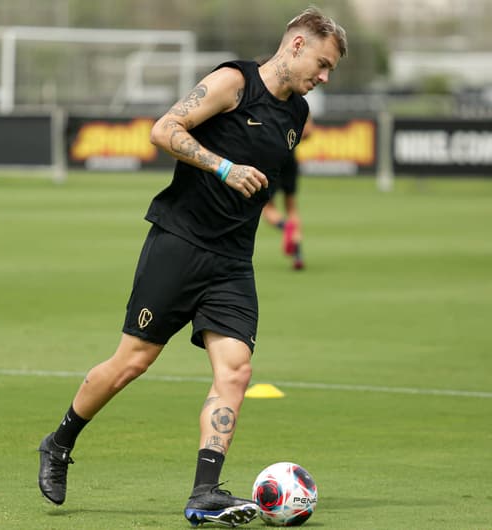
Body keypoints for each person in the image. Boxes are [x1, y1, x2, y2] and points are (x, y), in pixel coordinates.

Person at [37, 7, 347, 528]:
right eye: (321, 63)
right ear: (295, 45)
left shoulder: (297, 116)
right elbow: (164, 130)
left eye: (329, 70)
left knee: (237, 371)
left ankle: (205, 492)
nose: (323, 76)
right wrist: (222, 167)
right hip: (180, 243)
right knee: (131, 362)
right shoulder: (233, 83)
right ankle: (58, 441)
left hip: (232, 262)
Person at [261, 113, 314, 270]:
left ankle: (285, 227)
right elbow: (308, 132)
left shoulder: (268, 101)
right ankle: (298, 254)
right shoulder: (299, 105)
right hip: (290, 157)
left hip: (271, 159)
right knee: (291, 207)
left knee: (267, 207)